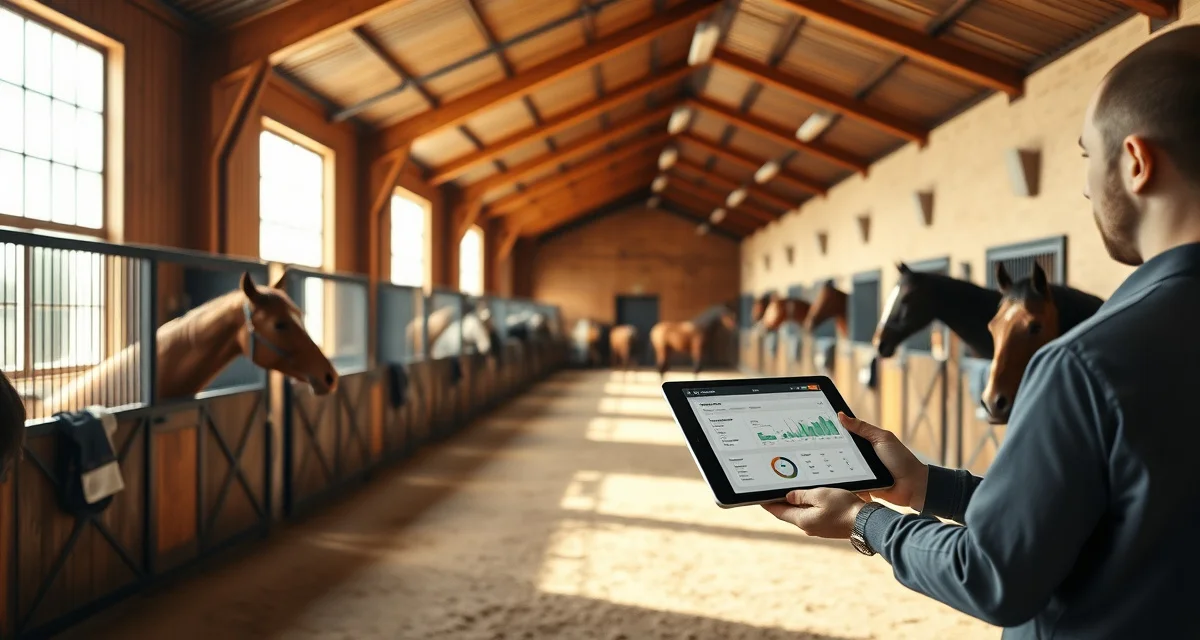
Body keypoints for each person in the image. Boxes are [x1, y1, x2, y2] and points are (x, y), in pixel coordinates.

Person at [763, 24, 1200, 638]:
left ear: (1134, 162)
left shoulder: (1086, 363)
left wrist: (865, 521)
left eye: (1085, 157)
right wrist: (926, 485)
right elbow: (1103, 520)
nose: (1082, 185)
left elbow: (996, 575)